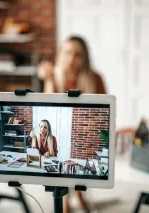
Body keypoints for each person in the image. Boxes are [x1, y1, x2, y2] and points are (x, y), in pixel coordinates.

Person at [38, 35, 106, 213]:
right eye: (67, 52)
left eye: (77, 54)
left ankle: (74, 195)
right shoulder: (54, 75)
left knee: (76, 155)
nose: (71, 59)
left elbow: (103, 113)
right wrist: (48, 79)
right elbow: (47, 110)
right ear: (60, 54)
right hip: (59, 134)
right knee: (60, 152)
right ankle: (71, 197)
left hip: (84, 133)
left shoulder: (95, 78)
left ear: (84, 58)